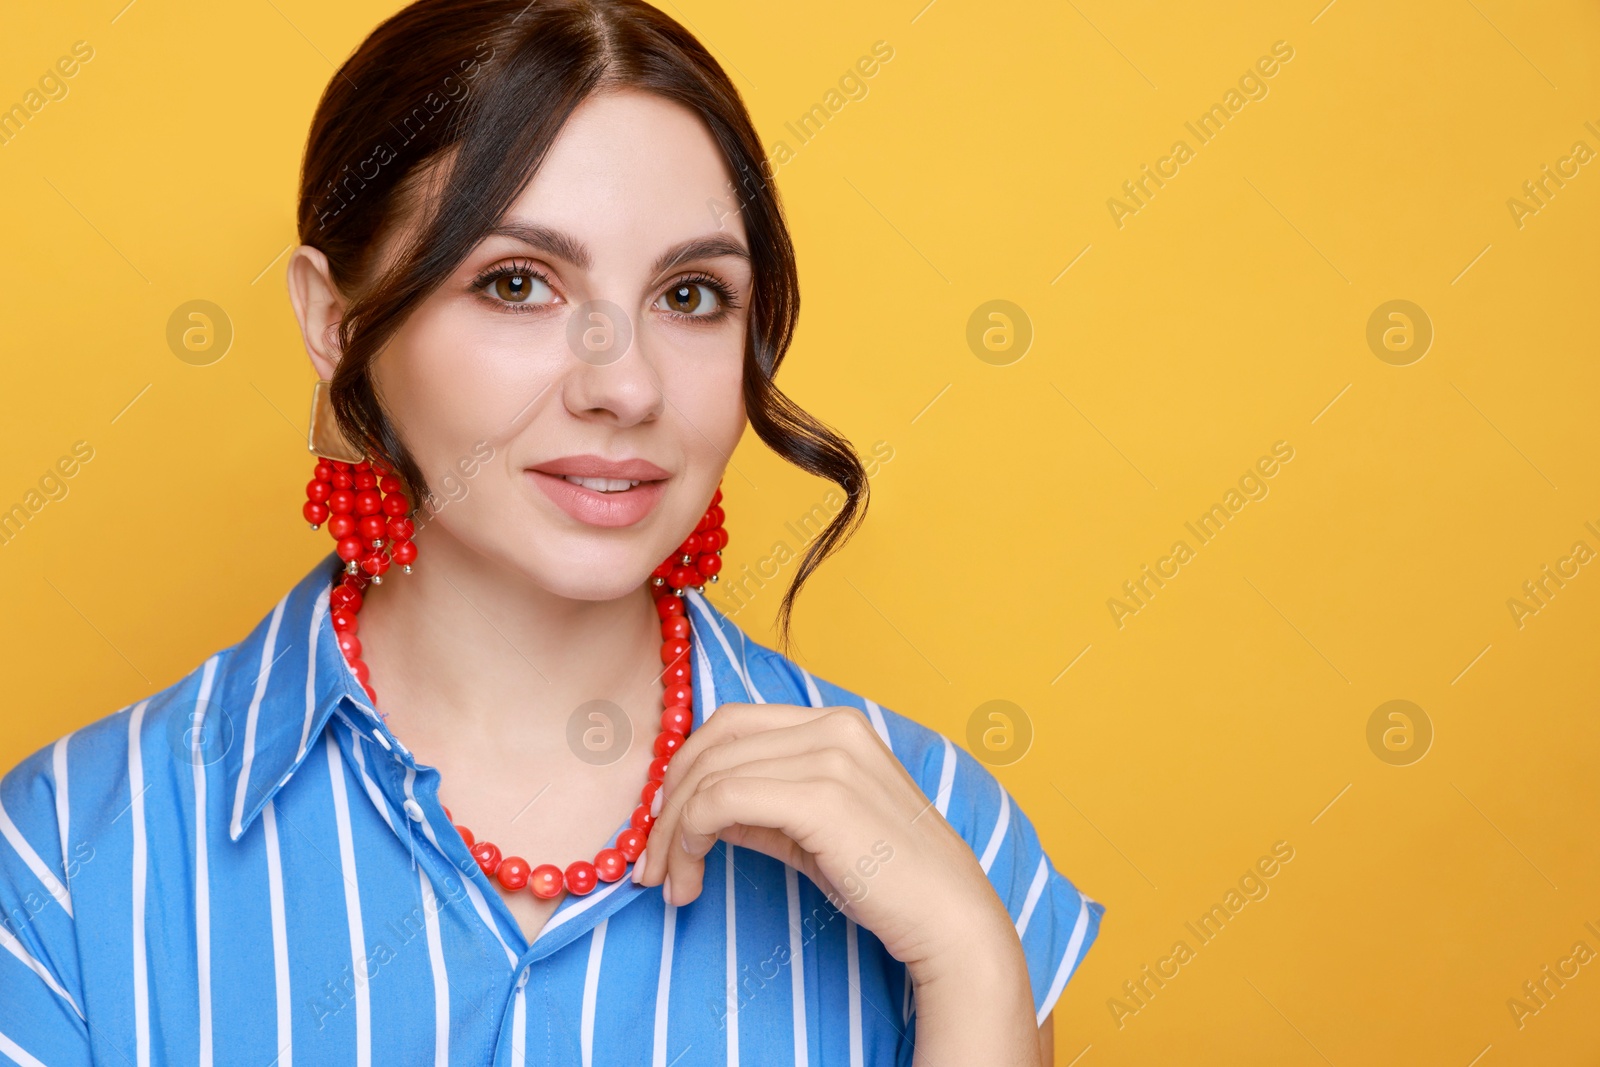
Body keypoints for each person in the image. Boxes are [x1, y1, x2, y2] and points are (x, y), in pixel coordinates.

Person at [0, 1, 1103, 1063]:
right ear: (335, 325)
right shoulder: (64, 862)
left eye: (689, 295)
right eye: (517, 282)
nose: (625, 384)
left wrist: (973, 970)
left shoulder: (949, 832)